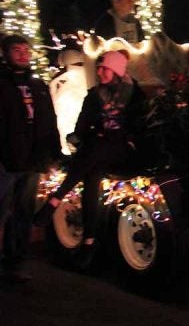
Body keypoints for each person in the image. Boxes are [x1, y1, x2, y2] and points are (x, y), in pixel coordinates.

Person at [34, 50, 145, 269]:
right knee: (92, 179)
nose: (100, 72)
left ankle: (55, 199)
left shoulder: (133, 93)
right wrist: (78, 136)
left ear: (117, 71)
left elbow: (141, 123)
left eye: (105, 69)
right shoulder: (94, 95)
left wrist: (125, 136)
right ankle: (89, 242)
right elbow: (82, 127)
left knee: (102, 144)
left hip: (124, 151)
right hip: (97, 153)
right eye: (99, 68)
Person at [0, 35, 61, 282]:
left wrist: (54, 153)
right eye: (17, 50)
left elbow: (49, 121)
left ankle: (14, 264)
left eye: (26, 50)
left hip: (32, 161)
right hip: (6, 161)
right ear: (5, 53)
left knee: (23, 214)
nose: (23, 55)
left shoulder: (38, 86)